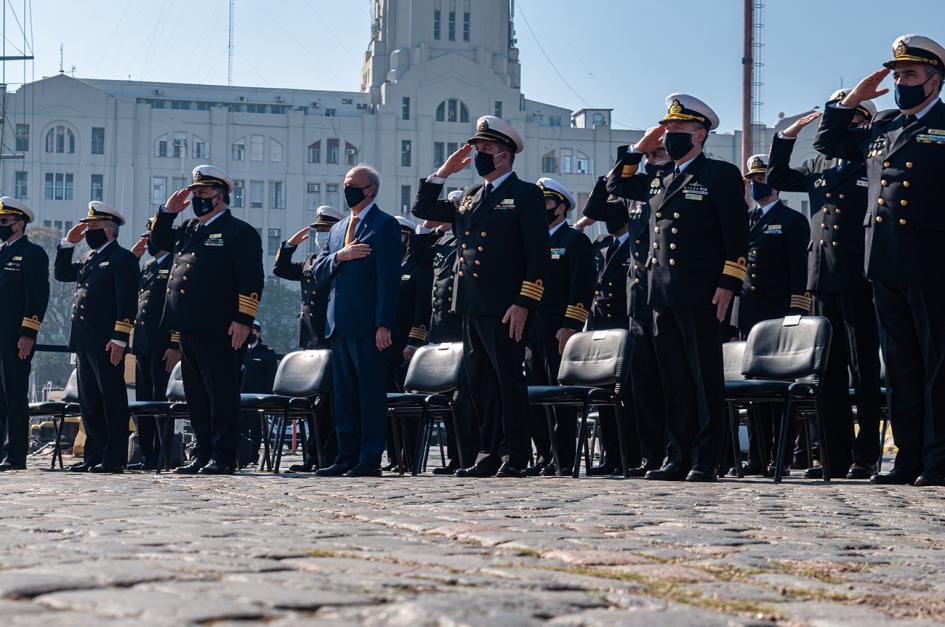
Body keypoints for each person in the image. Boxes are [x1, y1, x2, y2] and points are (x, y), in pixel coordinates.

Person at [814, 35, 945, 486]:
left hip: (932, 262)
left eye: (910, 74)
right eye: (897, 74)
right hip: (883, 262)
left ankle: (937, 459)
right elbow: (828, 141)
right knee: (901, 367)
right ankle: (906, 459)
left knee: (935, 365)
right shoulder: (883, 125)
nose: (901, 82)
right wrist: (854, 99)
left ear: (934, 82)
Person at [607, 94, 748, 482]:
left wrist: (729, 283)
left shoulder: (719, 174)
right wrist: (637, 148)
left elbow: (736, 234)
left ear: (700, 135)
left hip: (702, 291)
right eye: (667, 129)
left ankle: (706, 458)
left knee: (703, 377)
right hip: (660, 293)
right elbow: (615, 184)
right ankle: (678, 454)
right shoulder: (658, 179)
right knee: (673, 379)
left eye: (679, 130)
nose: (669, 136)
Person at [412, 116, 549, 478]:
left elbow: (538, 254)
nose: (477, 155)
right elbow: (423, 211)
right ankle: (488, 452)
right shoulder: (471, 196)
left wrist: (525, 302)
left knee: (508, 381)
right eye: (477, 149)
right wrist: (443, 172)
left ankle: (517, 454)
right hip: (470, 303)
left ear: (504, 156)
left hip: (505, 306)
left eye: (485, 149)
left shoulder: (525, 194)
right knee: (480, 383)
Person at [768, 91, 883, 480]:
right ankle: (833, 455)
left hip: (856, 276)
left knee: (862, 370)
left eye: (849, 121)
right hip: (821, 278)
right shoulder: (819, 162)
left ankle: (866, 454)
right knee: (827, 372)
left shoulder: (871, 160)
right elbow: (777, 178)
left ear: (861, 123)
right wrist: (785, 138)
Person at [151, 165, 264, 475]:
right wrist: (167, 212)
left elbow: (252, 279)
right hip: (188, 324)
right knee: (197, 394)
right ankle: (202, 452)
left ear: (220, 196)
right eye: (194, 192)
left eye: (202, 193)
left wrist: (243, 318)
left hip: (221, 326)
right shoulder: (189, 229)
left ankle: (224, 455)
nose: (197, 197)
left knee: (221, 393)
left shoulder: (238, 231)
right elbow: (156, 244)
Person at [581, 143, 673, 476]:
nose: (653, 159)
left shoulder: (663, 187)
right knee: (629, 390)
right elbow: (595, 204)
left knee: (658, 386)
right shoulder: (631, 189)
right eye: (650, 154)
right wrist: (630, 155)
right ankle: (632, 456)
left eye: (658, 153)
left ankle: (659, 453)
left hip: (655, 299)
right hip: (623, 315)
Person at [313, 164, 401, 478]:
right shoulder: (338, 229)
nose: (347, 189)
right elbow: (318, 271)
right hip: (339, 324)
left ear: (370, 190)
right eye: (346, 183)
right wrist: (340, 256)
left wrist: (384, 324)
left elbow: (389, 280)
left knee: (369, 395)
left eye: (353, 184)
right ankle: (346, 455)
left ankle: (369, 458)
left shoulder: (384, 225)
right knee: (344, 397)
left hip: (368, 326)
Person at [731, 154, 810, 476]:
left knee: (780, 391)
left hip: (780, 315)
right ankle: (758, 457)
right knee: (755, 391)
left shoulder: (792, 221)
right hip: (750, 317)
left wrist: (796, 313)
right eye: (752, 179)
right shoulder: (746, 221)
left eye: (761, 178)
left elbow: (800, 273)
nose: (755, 184)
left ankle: (781, 456)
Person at [54, 201, 138, 473]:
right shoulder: (91, 258)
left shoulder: (121, 259)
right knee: (89, 402)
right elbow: (62, 273)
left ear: (110, 231)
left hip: (107, 342)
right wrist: (68, 244)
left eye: (94, 226)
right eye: (88, 225)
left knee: (111, 400)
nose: (88, 230)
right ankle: (94, 454)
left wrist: (120, 338)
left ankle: (113, 458)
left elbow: (126, 302)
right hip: (84, 341)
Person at [524, 177, 594, 476]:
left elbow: (581, 287)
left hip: (558, 331)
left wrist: (571, 326)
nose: (542, 209)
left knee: (560, 398)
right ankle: (543, 454)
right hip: (531, 331)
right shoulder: (532, 241)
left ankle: (563, 457)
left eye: (547, 202)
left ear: (562, 207)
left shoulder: (574, 240)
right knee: (534, 398)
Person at [273, 204, 343, 473]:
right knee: (311, 404)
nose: (320, 234)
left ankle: (329, 455)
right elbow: (280, 269)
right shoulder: (311, 261)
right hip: (310, 340)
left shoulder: (340, 257)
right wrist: (290, 244)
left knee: (328, 404)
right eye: (317, 230)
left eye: (325, 229)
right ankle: (312, 456)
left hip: (329, 338)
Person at [579, 181, 637, 475]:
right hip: (601, 329)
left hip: (626, 328)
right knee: (604, 397)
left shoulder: (639, 238)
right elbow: (589, 213)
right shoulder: (601, 243)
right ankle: (611, 455)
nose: (608, 215)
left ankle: (631, 456)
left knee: (629, 398)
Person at [0, 197, 49, 471]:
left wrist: (28, 332)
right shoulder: (2, 252)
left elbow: (37, 296)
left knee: (15, 395)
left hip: (15, 337)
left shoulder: (32, 254)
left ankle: (15, 454)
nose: (1, 225)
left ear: (19, 224)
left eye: (4, 221)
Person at [129, 223, 180, 471]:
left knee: (161, 402)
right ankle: (147, 454)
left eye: (150, 238)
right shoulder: (148, 266)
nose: (147, 242)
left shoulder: (175, 264)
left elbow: (177, 308)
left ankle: (163, 454)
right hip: (143, 344)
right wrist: (133, 258)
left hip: (163, 345)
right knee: (144, 402)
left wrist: (175, 344)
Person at [240, 322, 279, 467]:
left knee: (256, 428)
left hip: (258, 397)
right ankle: (243, 456)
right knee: (242, 427)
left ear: (259, 333)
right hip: (241, 396)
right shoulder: (241, 349)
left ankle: (254, 455)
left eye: (254, 330)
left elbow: (271, 376)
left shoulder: (267, 351)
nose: (251, 333)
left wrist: (269, 396)